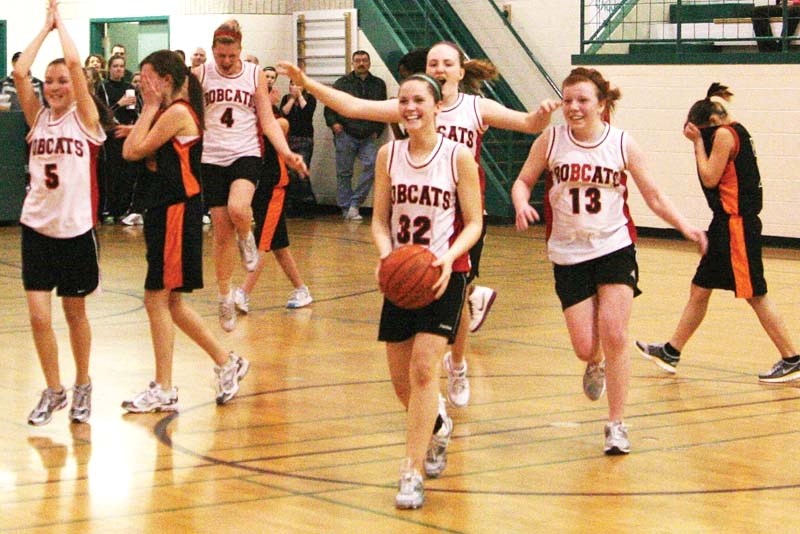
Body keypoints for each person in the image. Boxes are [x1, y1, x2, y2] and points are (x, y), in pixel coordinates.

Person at [280, 41, 558, 410]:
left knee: (453, 292)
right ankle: (463, 320)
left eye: (447, 63)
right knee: (432, 291)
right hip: (415, 212)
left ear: (461, 71)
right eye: (433, 62)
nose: (440, 68)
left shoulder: (476, 107)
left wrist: (542, 113)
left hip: (460, 215)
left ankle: (457, 363)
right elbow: (352, 106)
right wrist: (307, 83)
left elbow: (527, 124)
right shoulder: (412, 106)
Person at [511, 67, 708, 455]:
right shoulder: (550, 140)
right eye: (567, 101)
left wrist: (686, 227)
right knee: (586, 346)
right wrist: (520, 203)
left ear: (602, 104)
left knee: (615, 333)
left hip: (614, 246)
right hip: (567, 253)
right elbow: (523, 181)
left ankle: (616, 424)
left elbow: (653, 196)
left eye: (582, 100)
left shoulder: (621, 144)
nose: (573, 108)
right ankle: (594, 360)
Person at [636, 83, 800, 383]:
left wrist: (697, 144)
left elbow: (710, 178)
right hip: (723, 225)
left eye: (701, 131)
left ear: (709, 123)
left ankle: (792, 358)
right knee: (700, 289)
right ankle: (672, 351)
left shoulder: (723, 135)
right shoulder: (737, 128)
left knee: (755, 294)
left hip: (736, 225)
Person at [372, 74, 482, 509]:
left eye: (419, 100)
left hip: (443, 273)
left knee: (423, 370)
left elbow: (474, 222)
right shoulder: (389, 154)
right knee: (403, 386)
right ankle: (438, 426)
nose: (410, 107)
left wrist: (446, 257)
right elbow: (380, 220)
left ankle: (411, 470)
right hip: (402, 275)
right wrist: (386, 256)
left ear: (437, 106)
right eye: (404, 100)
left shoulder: (458, 158)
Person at [121, 49, 250, 412]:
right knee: (171, 303)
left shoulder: (176, 112)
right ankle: (227, 362)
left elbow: (132, 151)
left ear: (164, 80)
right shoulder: (169, 112)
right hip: (166, 210)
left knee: (156, 299)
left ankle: (165, 387)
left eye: (146, 78)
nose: (141, 84)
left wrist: (145, 109)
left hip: (177, 209)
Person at [15, 0, 107, 426]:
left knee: (74, 314)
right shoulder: (37, 119)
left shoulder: (85, 120)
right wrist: (42, 29)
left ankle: (83, 383)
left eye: (62, 81)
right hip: (36, 227)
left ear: (75, 85)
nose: (54, 86)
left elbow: (74, 60)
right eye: (49, 81)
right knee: (37, 316)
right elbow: (20, 73)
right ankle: (53, 390)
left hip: (75, 231)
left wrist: (61, 24)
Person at [194, 20, 306, 333]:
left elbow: (268, 121)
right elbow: (183, 114)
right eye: (221, 56)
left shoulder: (253, 75)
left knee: (239, 209)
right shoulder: (201, 75)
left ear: (240, 51)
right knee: (220, 233)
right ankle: (224, 294)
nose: (226, 62)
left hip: (246, 152)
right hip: (211, 156)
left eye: (231, 56)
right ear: (214, 51)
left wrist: (285, 152)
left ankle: (247, 236)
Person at [233, 106, 313, 312]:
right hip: (258, 189)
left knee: (263, 242)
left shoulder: (274, 122)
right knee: (278, 245)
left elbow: (281, 126)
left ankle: (244, 292)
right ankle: (301, 289)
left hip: (274, 188)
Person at [323, 50, 387, 221]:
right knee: (344, 173)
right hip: (346, 133)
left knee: (373, 166)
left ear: (369, 63)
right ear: (352, 63)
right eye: (357, 60)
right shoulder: (342, 83)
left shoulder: (379, 84)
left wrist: (377, 130)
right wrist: (334, 125)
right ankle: (345, 208)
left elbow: (383, 108)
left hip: (368, 135)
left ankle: (355, 204)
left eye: (364, 60)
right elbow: (330, 107)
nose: (361, 63)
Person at [98, 53, 141, 224]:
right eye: (115, 66)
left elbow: (135, 111)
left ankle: (123, 209)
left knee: (127, 174)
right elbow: (101, 114)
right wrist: (119, 104)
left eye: (121, 66)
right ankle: (109, 209)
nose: (118, 69)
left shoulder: (130, 87)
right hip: (111, 136)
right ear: (110, 68)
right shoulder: (103, 88)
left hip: (127, 134)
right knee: (111, 174)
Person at [280, 78, 317, 216]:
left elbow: (307, 112)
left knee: (302, 171)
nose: (295, 87)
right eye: (292, 84)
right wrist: (291, 99)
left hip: (305, 139)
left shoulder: (310, 98)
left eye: (298, 84)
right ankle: (292, 204)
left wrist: (300, 96)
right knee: (290, 172)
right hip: (289, 139)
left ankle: (308, 204)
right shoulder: (285, 98)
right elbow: (284, 113)